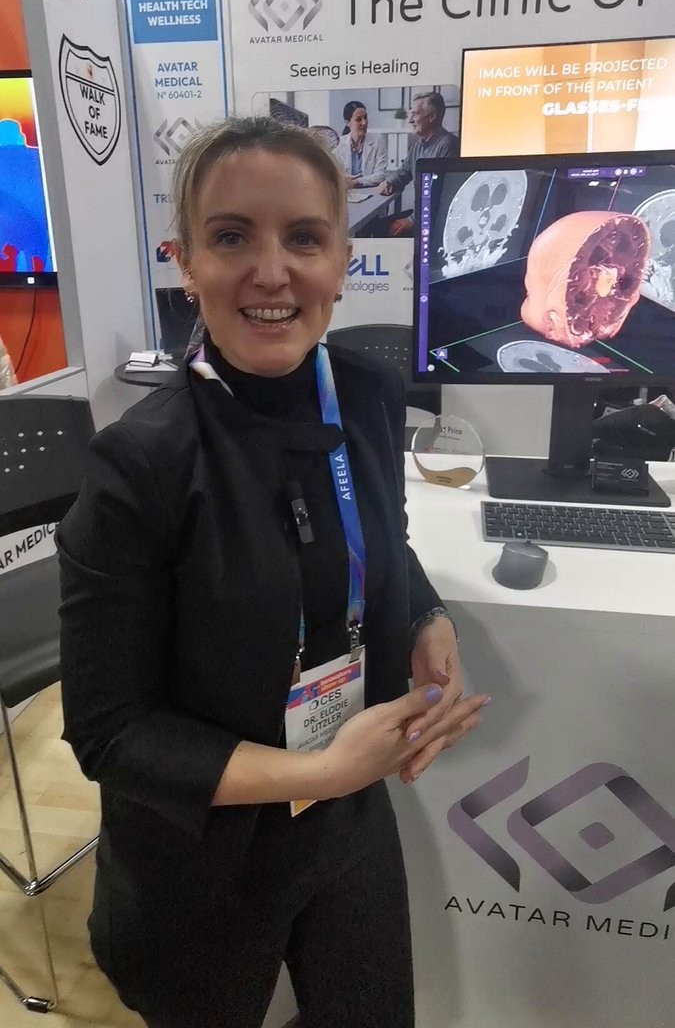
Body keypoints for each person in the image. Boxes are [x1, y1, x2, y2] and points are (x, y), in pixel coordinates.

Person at [57, 116, 488, 1028]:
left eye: (303, 238)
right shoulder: (141, 462)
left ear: (341, 260)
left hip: (344, 817)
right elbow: (109, 733)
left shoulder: (365, 394)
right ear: (185, 263)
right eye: (230, 237)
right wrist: (318, 770)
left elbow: (381, 538)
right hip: (199, 851)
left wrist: (426, 618)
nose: (270, 271)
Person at [377, 91, 459, 236]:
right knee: (376, 227)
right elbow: (404, 171)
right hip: (420, 216)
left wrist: (411, 220)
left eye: (415, 114)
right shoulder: (419, 145)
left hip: (434, 222)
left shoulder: (448, 145)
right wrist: (389, 181)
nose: (410, 120)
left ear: (431, 117)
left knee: (381, 232)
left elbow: (441, 196)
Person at [332, 99, 387, 187]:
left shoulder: (377, 141)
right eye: (358, 119)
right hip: (347, 191)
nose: (364, 123)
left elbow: (380, 175)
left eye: (365, 117)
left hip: (370, 190)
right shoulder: (338, 144)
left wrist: (357, 181)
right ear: (347, 122)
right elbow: (334, 174)